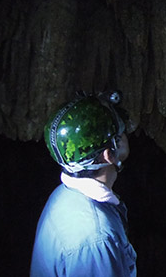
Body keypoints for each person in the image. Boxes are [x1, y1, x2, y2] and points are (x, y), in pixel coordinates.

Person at [30, 90, 137, 277]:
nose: (126, 131)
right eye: (119, 131)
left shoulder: (64, 194)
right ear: (109, 154)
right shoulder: (96, 240)